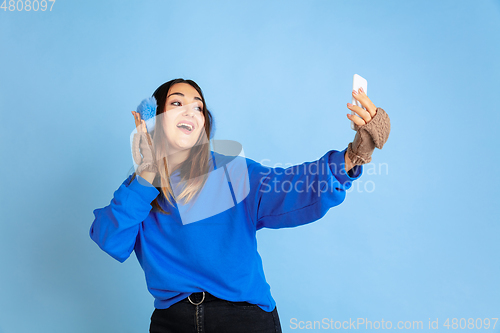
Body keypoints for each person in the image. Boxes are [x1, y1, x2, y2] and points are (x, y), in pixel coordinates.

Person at [89, 78, 391, 333]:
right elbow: (109, 238)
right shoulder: (140, 188)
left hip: (244, 320)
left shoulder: (234, 172)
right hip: (172, 322)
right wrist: (147, 174)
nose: (191, 111)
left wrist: (354, 155)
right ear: (153, 119)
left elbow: (295, 186)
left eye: (198, 106)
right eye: (177, 103)